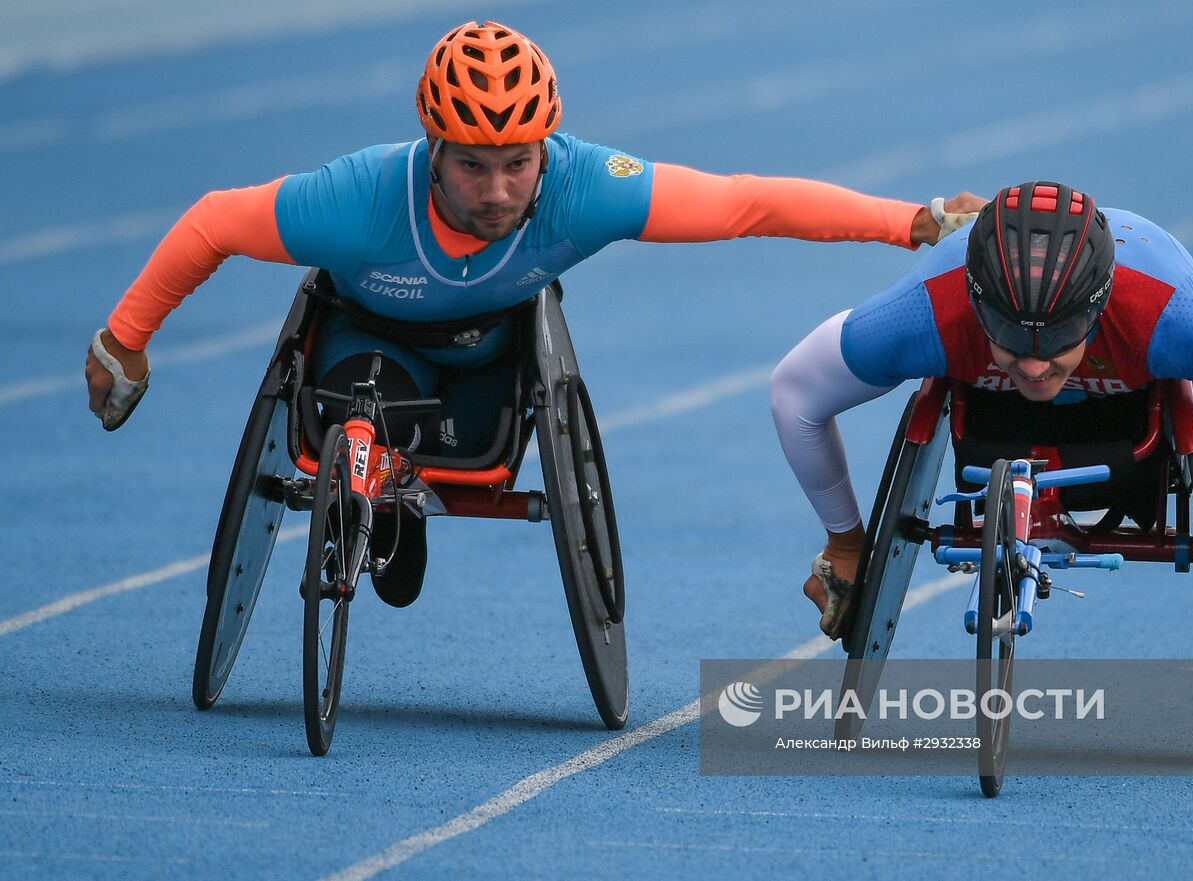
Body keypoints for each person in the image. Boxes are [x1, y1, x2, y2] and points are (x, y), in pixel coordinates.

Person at [84, 20, 982, 609]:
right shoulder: (356, 196)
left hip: (491, 359)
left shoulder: (582, 186)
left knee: (475, 435)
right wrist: (124, 341)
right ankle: (375, 490)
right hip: (368, 340)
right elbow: (210, 223)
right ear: (433, 149)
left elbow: (744, 202)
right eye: (473, 165)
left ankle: (394, 494)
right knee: (363, 396)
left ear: (544, 145)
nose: (499, 190)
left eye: (517, 162)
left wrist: (906, 223)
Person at [770, 181, 1193, 652]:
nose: (1035, 364)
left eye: (1059, 338)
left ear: (1100, 304)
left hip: (1129, 416)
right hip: (996, 416)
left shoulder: (1173, 313)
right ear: (975, 303)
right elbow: (795, 392)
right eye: (1011, 337)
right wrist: (846, 542)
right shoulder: (929, 309)